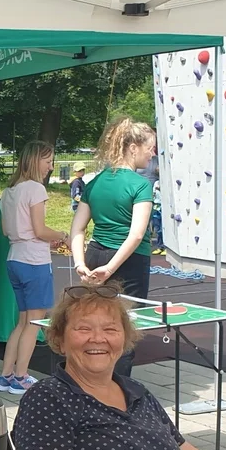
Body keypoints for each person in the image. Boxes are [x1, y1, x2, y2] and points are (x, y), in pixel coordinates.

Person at [13, 284, 226, 450]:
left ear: (124, 340)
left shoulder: (137, 392)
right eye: (83, 329)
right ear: (60, 340)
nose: (98, 338)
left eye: (110, 329)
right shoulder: (49, 397)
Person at [70, 117, 157, 376]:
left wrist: (80, 263)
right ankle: (117, 393)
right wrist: (110, 268)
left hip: (95, 255)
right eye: (150, 147)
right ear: (133, 148)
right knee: (123, 330)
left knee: (93, 324)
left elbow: (77, 228)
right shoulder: (141, 184)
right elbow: (137, 234)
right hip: (128, 263)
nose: (152, 154)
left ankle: (89, 384)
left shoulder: (95, 182)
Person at [0, 141, 66, 395]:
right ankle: (20, 376)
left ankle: (5, 375)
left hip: (15, 258)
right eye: (47, 161)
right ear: (35, 160)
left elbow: (7, 230)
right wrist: (62, 234)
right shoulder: (36, 189)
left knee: (23, 321)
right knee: (35, 322)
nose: (50, 166)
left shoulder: (9, 191)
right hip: (34, 262)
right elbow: (40, 230)